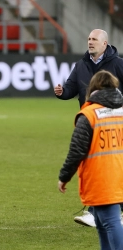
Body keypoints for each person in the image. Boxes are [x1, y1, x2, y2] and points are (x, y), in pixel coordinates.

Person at [54, 28, 123, 227]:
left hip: (114, 125)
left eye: (94, 39)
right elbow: (70, 89)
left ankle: (97, 212)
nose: (90, 42)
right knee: (97, 168)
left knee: (113, 167)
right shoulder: (81, 65)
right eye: (88, 38)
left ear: (104, 44)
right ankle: (95, 211)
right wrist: (61, 92)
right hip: (92, 124)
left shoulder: (118, 64)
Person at [58, 70, 123, 249]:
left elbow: (76, 151)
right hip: (120, 175)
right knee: (102, 222)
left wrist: (64, 177)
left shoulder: (89, 114)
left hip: (102, 177)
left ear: (92, 88)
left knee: (110, 221)